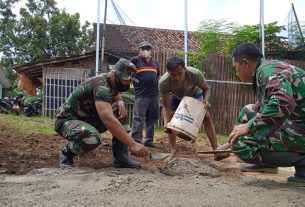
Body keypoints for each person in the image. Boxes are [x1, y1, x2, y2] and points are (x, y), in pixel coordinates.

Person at [228, 42, 305, 186]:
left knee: (240, 143)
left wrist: (250, 126)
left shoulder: (267, 71)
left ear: (245, 63)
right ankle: (267, 164)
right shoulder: (267, 69)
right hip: (298, 123)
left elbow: (283, 102)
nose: (236, 73)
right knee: (248, 112)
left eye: (235, 68)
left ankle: (302, 165)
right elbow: (266, 107)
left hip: (301, 129)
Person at [54, 58, 149, 168]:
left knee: (119, 112)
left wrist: (119, 101)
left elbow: (114, 93)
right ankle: (66, 153)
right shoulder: (101, 86)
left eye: (131, 81)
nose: (129, 83)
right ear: (115, 76)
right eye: (127, 80)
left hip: (86, 119)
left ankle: (121, 158)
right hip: (67, 120)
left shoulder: (110, 81)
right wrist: (132, 144)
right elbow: (107, 119)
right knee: (92, 138)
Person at [159, 56, 230, 162]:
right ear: (168, 72)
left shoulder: (194, 73)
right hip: (177, 96)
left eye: (179, 74)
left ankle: (216, 151)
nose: (177, 77)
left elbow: (206, 88)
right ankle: (173, 152)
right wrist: (166, 122)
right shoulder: (163, 82)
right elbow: (166, 105)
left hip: (195, 94)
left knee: (206, 117)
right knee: (170, 123)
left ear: (184, 69)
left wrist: (205, 101)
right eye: (173, 75)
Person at [130, 41, 160, 148]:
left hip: (154, 94)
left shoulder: (155, 63)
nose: (146, 50)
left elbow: (157, 77)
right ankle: (136, 140)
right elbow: (128, 73)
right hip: (141, 94)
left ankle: (149, 141)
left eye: (148, 48)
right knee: (138, 118)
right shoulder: (134, 60)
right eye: (143, 48)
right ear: (139, 50)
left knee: (152, 118)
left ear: (151, 50)